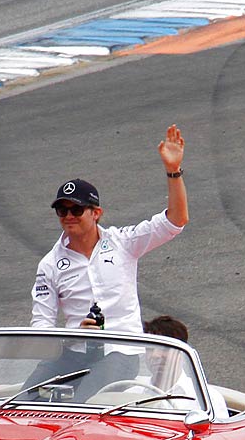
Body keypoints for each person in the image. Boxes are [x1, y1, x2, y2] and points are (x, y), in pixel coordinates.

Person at [30, 124, 187, 335]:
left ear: (96, 213)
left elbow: (175, 221)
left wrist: (173, 171)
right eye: (61, 210)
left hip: (125, 350)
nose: (68, 216)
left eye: (76, 209)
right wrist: (76, 333)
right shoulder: (49, 265)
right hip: (76, 353)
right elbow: (41, 325)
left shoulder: (123, 242)